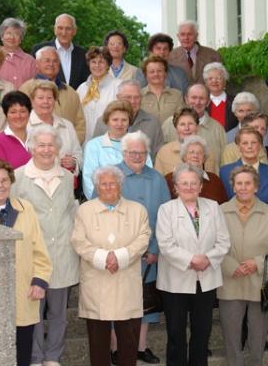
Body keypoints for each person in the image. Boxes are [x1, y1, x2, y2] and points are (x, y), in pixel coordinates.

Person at [71, 165, 151, 366]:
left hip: (126, 282)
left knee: (129, 341)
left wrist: (121, 257)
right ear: (97, 187)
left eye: (112, 183)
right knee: (98, 344)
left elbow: (143, 238)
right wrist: (104, 258)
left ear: (120, 185)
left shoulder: (137, 210)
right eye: (103, 184)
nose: (108, 187)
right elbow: (78, 241)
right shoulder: (84, 210)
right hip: (97, 282)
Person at [11, 126, 78, 366]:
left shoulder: (68, 177)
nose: (47, 150)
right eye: (41, 145)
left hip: (62, 255)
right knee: (33, 312)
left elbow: (71, 211)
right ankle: (36, 357)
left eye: (51, 145)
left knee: (59, 314)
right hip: (32, 257)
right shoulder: (18, 177)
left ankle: (53, 357)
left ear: (58, 148)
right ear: (32, 148)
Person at [0, 159, 52, 366]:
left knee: (22, 356)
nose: (0, 185)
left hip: (22, 292)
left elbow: (40, 252)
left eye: (5, 180)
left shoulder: (26, 209)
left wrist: (39, 281)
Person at [105, 131, 171, 364]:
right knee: (118, 301)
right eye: (132, 152)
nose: (137, 156)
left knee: (147, 300)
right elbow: (100, 215)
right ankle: (116, 348)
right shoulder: (111, 176)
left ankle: (141, 347)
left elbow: (165, 216)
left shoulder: (157, 179)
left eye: (142, 152)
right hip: (119, 254)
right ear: (123, 153)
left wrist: (154, 249)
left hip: (150, 253)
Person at [156, 163, 230, 366]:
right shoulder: (166, 210)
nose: (189, 187)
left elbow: (223, 241)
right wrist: (191, 260)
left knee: (202, 332)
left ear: (200, 186)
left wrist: (208, 259)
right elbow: (165, 244)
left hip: (205, 280)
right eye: (184, 183)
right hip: (175, 281)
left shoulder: (213, 207)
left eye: (193, 183)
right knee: (176, 333)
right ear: (175, 187)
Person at [219, 165, 268, 366]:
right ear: (232, 186)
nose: (243, 187)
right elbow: (211, 244)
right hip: (230, 281)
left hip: (260, 284)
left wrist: (257, 264)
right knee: (231, 337)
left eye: (248, 183)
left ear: (256, 186)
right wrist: (230, 266)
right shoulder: (219, 212)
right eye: (239, 183)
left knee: (258, 337)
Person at [82, 101, 152, 199]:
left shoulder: (139, 144)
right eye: (115, 120)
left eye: (124, 120)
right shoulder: (93, 146)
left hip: (135, 204)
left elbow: (148, 175)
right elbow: (88, 180)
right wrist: (103, 204)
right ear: (107, 121)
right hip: (103, 205)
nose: (119, 124)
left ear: (129, 122)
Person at [20, 46, 86, 143]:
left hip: (67, 153)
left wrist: (72, 147)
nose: (51, 64)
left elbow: (80, 123)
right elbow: (19, 121)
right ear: (37, 64)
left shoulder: (71, 92)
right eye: (47, 60)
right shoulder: (26, 89)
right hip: (37, 151)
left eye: (55, 61)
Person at [161, 83, 227, 170]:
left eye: (202, 98)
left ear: (208, 102)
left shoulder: (217, 129)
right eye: (194, 97)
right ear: (186, 99)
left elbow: (223, 162)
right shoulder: (169, 124)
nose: (197, 102)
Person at [92, 79, 164, 157]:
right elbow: (95, 153)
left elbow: (159, 156)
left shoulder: (153, 123)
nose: (133, 101)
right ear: (118, 97)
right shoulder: (103, 122)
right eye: (128, 97)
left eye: (137, 97)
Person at [219, 127, 268, 214]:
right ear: (238, 147)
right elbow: (224, 204)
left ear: (260, 146)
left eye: (253, 143)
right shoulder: (225, 172)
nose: (249, 146)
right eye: (245, 143)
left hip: (266, 224)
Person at [26, 80, 82, 176]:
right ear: (32, 101)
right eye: (40, 98)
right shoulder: (25, 126)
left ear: (55, 100)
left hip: (64, 183)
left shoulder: (67, 125)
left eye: (49, 98)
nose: (45, 102)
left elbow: (78, 153)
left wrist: (74, 162)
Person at [164, 135, 228, 204]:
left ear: (204, 158)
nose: (195, 155)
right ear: (184, 156)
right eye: (191, 152)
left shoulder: (215, 180)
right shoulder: (170, 179)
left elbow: (224, 206)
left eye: (199, 153)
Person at [31, 13, 89, 89]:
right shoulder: (38, 50)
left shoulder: (83, 54)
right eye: (60, 28)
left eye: (68, 29)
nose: (63, 33)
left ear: (74, 31)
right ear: (55, 30)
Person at [77, 46, 122, 142]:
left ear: (108, 65)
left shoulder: (118, 86)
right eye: (93, 62)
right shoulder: (81, 88)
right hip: (85, 143)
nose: (97, 66)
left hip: (110, 142)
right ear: (89, 64)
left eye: (101, 62)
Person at [155, 107, 216, 175]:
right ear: (176, 128)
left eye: (190, 124)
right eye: (182, 124)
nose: (186, 128)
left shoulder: (207, 152)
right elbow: (158, 183)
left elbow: (211, 181)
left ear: (197, 127)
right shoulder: (164, 152)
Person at [0, 91, 32, 169]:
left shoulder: (38, 136)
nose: (18, 116)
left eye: (23, 111)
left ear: (29, 113)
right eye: (13, 112)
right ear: (6, 115)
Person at [168, 20, 221, 84]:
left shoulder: (213, 56)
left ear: (196, 35)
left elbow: (220, 79)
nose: (186, 38)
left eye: (189, 34)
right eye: (182, 34)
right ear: (178, 36)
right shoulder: (170, 57)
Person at [139, 56, 183, 123]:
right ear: (145, 75)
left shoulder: (177, 95)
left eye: (159, 71)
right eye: (152, 71)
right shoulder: (139, 95)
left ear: (165, 73)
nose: (156, 74)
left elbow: (182, 119)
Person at [0, 17, 37, 89]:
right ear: (2, 36)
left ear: (21, 39)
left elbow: (35, 87)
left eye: (16, 34)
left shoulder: (30, 61)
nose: (12, 37)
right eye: (8, 33)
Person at [203, 62, 238, 132]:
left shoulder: (236, 101)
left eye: (218, 78)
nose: (214, 81)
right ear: (206, 83)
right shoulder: (201, 102)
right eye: (210, 78)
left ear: (225, 81)